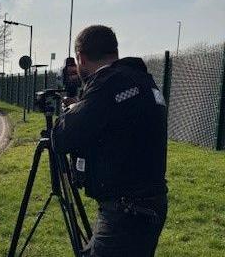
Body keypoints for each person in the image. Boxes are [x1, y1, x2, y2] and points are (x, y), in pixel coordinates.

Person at [52, 25, 168, 257]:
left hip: (126, 211)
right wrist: (82, 107)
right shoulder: (143, 79)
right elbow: (118, 121)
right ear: (114, 51)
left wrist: (71, 112)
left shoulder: (108, 84)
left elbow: (62, 138)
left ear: (81, 58)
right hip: (151, 204)